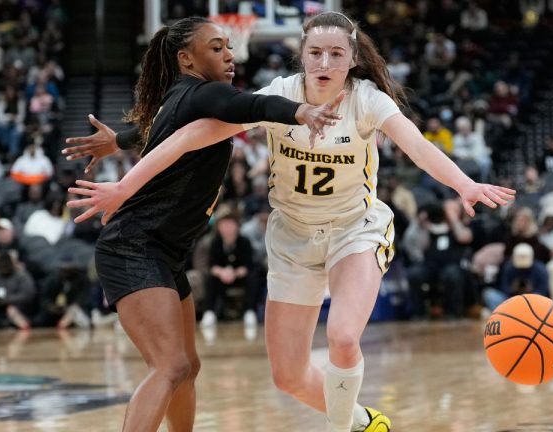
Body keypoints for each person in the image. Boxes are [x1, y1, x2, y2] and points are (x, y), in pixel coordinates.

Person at [65, 12, 515, 431]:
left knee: (341, 336)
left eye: (337, 53)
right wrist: (124, 171)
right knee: (288, 377)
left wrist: (465, 184)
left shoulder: (367, 101)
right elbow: (187, 133)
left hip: (352, 228)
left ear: (352, 60)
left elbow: (417, 145)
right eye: (316, 52)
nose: (325, 61)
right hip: (291, 237)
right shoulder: (279, 94)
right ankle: (363, 421)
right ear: (302, 55)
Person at [60, 16, 344, 432]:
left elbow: (153, 126)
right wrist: (301, 110)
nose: (229, 55)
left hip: (164, 253)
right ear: (186, 59)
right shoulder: (204, 94)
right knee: (170, 365)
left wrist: (117, 141)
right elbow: (248, 105)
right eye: (216, 48)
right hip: (134, 247)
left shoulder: (183, 98)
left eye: (229, 46)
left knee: (187, 366)